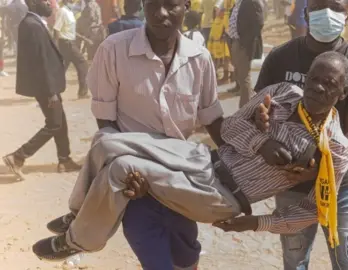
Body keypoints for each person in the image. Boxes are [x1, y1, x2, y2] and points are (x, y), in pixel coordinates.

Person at [32, 51, 348, 266]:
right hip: (203, 160)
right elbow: (230, 127)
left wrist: (258, 223)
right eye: (314, 78)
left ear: (344, 92)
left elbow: (314, 210)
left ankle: (79, 241)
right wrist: (261, 142)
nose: (318, 88)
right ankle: (77, 213)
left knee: (122, 168)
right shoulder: (285, 93)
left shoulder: (332, 146)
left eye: (330, 84)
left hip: (223, 196)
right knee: (107, 141)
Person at [31, 0, 224, 268]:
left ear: (187, 5)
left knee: (187, 257)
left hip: (180, 178)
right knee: (106, 145)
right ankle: (78, 232)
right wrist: (134, 174)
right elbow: (106, 120)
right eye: (153, 5)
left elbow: (212, 120)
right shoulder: (114, 50)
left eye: (171, 5)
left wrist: (249, 143)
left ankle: (79, 216)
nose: (161, 14)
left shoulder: (199, 59)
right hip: (136, 185)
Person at [253, 0, 348, 269]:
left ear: (347, 14)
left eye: (335, 6)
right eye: (320, 5)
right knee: (295, 262)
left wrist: (321, 165)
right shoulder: (280, 58)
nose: (327, 13)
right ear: (306, 11)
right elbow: (257, 112)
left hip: (342, 186)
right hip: (291, 185)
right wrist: (264, 138)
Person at [2, 0, 81, 179]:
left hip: (47, 84)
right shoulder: (32, 25)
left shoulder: (34, 22)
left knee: (60, 120)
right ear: (35, 3)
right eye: (45, 1)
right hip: (45, 86)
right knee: (54, 123)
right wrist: (51, 90)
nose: (50, 4)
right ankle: (18, 157)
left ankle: (64, 159)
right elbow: (41, 61)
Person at [228, 0, 264, 107]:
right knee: (239, 74)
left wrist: (246, 41)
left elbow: (259, 23)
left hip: (244, 44)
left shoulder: (251, 2)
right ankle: (252, 103)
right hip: (235, 41)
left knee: (244, 78)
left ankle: (245, 110)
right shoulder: (238, 2)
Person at [53, 0, 89, 99]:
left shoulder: (69, 12)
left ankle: (52, 92)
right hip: (66, 44)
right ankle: (83, 92)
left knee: (61, 69)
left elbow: (69, 29)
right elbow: (57, 29)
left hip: (69, 42)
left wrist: (83, 38)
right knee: (82, 64)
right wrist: (55, 46)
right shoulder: (63, 11)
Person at [207, 0, 235, 85]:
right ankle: (225, 76)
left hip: (224, 43)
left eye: (219, 10)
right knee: (221, 61)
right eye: (216, 11)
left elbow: (226, 31)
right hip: (217, 44)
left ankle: (229, 76)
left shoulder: (225, 20)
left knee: (227, 60)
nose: (217, 12)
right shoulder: (216, 20)